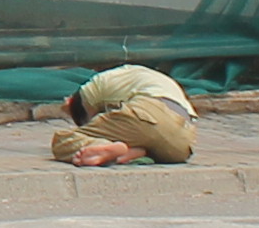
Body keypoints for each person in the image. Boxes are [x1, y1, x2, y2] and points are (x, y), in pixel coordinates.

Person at [54, 63, 197, 165]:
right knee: (145, 137)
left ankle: (103, 147)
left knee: (62, 140)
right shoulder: (133, 73)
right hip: (182, 142)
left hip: (149, 112)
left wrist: (75, 111)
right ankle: (134, 153)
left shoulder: (92, 89)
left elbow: (90, 119)